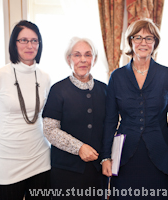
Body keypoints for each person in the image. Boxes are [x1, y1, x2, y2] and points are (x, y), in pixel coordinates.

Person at [101, 18, 168, 199]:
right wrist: (105, 157)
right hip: (125, 156)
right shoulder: (117, 76)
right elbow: (110, 121)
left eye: (149, 38)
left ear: (155, 43)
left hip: (161, 154)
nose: (143, 42)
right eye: (138, 37)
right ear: (130, 41)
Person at [0, 20, 51, 199]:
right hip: (7, 159)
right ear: (14, 44)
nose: (30, 45)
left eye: (34, 40)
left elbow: (48, 115)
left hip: (40, 156)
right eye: (24, 40)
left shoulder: (45, 77)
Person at [42, 37, 107, 200]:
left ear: (95, 59)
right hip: (66, 171)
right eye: (77, 55)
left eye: (88, 55)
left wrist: (107, 158)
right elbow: (49, 130)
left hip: (97, 171)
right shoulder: (58, 90)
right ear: (68, 59)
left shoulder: (105, 90)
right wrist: (79, 148)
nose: (83, 60)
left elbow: (111, 126)